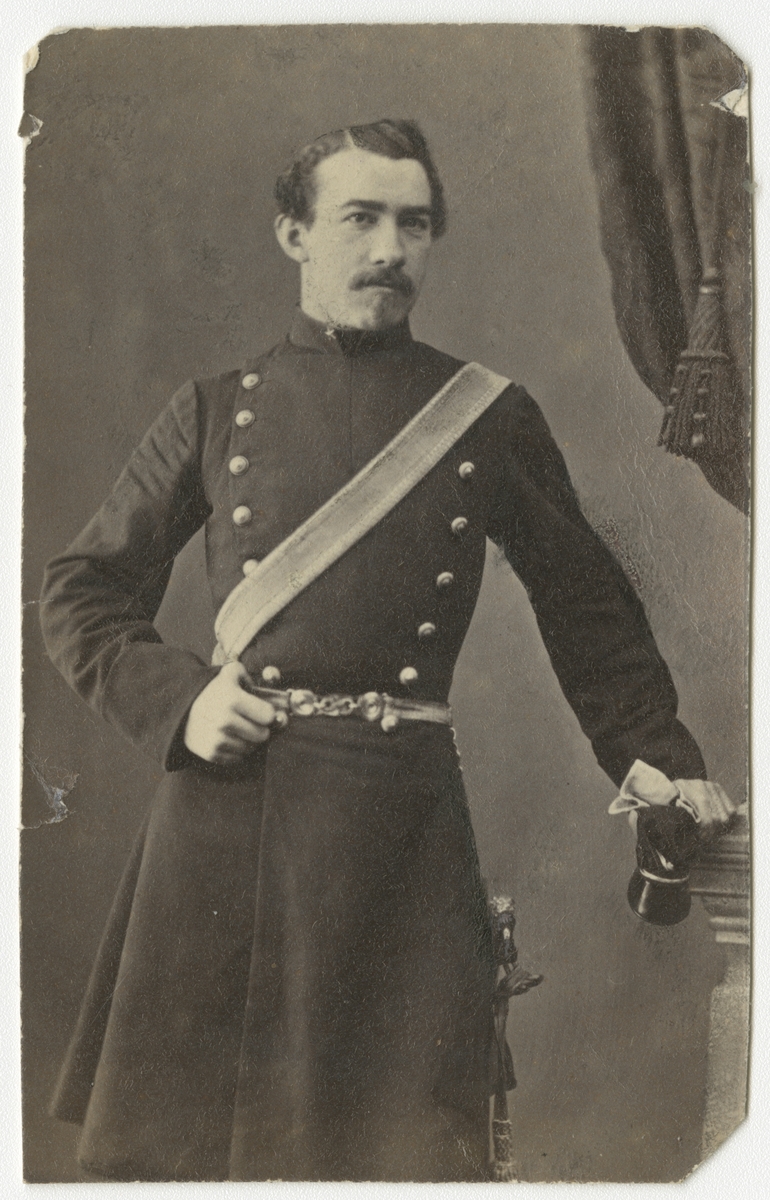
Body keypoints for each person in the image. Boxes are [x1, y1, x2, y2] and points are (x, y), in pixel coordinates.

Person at [40, 119, 736, 1183]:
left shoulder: (484, 416)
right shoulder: (216, 408)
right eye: (359, 219)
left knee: (394, 1156)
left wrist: (658, 760)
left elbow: (587, 609)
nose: (389, 250)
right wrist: (180, 703)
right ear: (293, 234)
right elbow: (80, 590)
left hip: (398, 843)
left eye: (413, 225)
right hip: (227, 827)